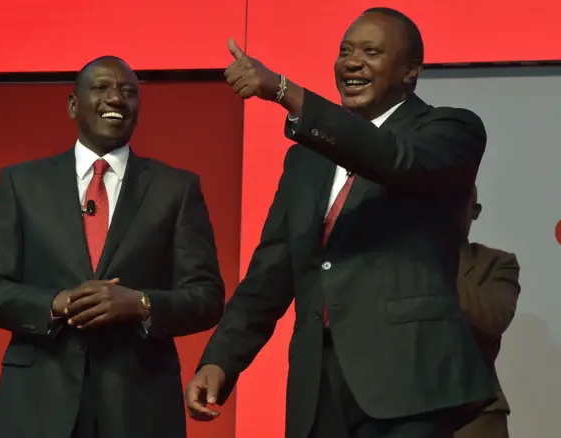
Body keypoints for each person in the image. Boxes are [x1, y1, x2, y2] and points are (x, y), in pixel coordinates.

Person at [186, 7, 497, 438]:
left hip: (408, 385)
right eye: (345, 50)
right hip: (319, 387)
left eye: (371, 51)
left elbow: (392, 159)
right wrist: (220, 360)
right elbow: (270, 273)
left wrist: (283, 90)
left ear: (411, 71)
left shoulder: (450, 129)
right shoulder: (306, 157)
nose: (352, 62)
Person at [0, 55, 225, 438]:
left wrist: (139, 304)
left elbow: (206, 297)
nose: (116, 99)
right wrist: (59, 303)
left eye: (128, 92)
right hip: (38, 404)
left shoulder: (177, 189)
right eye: (101, 88)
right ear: (74, 105)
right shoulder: (23, 184)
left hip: (140, 405)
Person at [455, 186, 521, 438]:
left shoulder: (496, 263)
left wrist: (436, 258)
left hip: (474, 418)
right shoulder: (395, 263)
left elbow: (491, 320)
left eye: (455, 196)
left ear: (475, 210)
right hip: (395, 414)